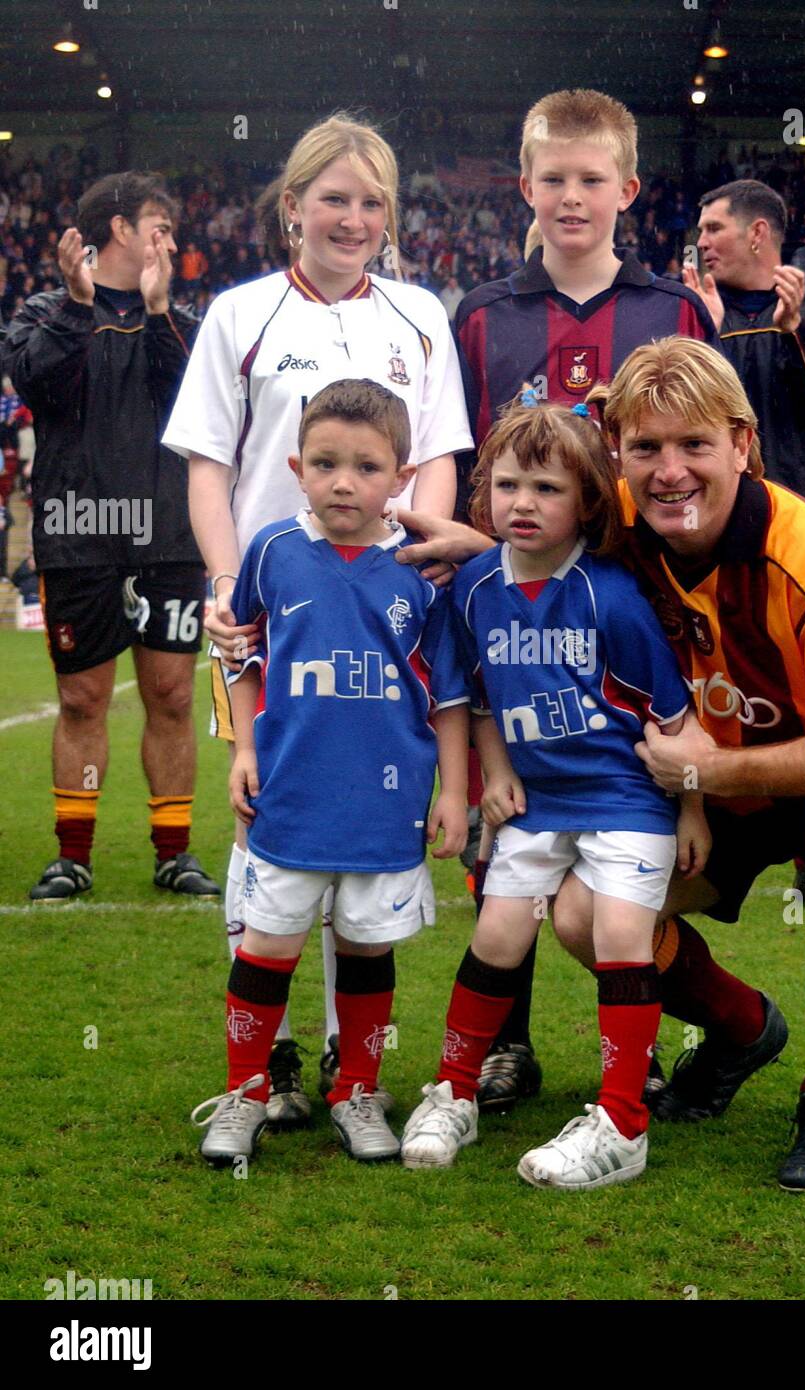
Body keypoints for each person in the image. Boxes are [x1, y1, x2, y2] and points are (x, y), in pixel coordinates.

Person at [396, 338, 805, 1191]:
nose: (669, 471)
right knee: (579, 914)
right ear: (618, 456)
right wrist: (473, 541)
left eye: (695, 445)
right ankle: (743, 1028)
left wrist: (710, 776)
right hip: (700, 784)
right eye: (645, 448)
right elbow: (541, 532)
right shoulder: (624, 525)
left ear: (743, 445)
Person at [163, 113, 473, 1127]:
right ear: (291, 206)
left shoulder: (419, 314)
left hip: (383, 618)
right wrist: (224, 580)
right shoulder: (237, 314)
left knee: (368, 829)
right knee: (262, 818)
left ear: (390, 218)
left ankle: (354, 1068)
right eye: (332, 197)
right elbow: (211, 463)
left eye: (371, 201)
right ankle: (274, 1060)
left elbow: (438, 457)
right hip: (270, 620)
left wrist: (420, 556)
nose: (352, 218)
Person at [452, 88, 717, 1111]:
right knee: (507, 816)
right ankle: (507, 1043)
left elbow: (707, 452)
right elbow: (465, 463)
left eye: (590, 178)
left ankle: (634, 1044)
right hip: (517, 611)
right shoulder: (479, 316)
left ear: (628, 189)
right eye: (552, 178)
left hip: (633, 612)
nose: (571, 196)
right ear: (524, 186)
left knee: (627, 826)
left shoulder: (676, 312)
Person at [398, 395, 706, 1189]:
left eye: (546, 489)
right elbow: (472, 696)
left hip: (627, 798)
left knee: (615, 934)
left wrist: (694, 804)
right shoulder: (471, 587)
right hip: (537, 801)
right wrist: (491, 775)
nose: (522, 504)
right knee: (498, 933)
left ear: (589, 503)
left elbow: (673, 716)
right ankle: (453, 1092)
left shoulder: (611, 595)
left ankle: (622, 1123)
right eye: (506, 487)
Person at [191, 380, 469, 1166]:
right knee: (266, 951)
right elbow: (238, 653)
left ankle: (358, 1091)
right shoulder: (273, 551)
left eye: (366, 467)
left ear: (402, 476)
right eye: (325, 463)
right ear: (296, 466)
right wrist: (246, 748)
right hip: (290, 797)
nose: (344, 481)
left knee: (366, 951)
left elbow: (448, 695)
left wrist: (453, 790)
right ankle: (246, 1094)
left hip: (386, 808)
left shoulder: (422, 570)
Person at [2, 172, 220, 903]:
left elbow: (194, 405)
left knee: (169, 694)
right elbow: (40, 385)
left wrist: (159, 314)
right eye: (161, 225)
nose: (172, 240)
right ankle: (74, 857)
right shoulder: (43, 312)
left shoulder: (187, 322)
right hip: (79, 533)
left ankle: (175, 852)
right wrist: (76, 306)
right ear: (121, 229)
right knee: (83, 700)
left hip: (167, 536)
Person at [681, 178, 805, 516]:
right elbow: (680, 416)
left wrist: (796, 331)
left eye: (713, 229)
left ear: (757, 233)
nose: (701, 243)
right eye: (701, 231)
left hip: (803, 518)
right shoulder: (691, 310)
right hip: (714, 519)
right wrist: (705, 337)